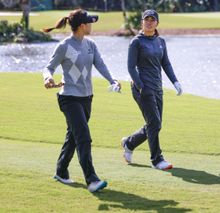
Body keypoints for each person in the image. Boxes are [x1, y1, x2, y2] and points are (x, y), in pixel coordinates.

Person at [42, 9, 121, 192]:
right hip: (69, 98)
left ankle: (61, 171)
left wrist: (112, 80)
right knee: (83, 137)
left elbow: (100, 64)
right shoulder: (64, 46)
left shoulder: (90, 45)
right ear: (82, 26)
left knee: (73, 136)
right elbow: (49, 67)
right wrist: (48, 78)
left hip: (87, 98)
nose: (92, 25)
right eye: (90, 23)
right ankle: (91, 180)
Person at [121, 9, 183, 170]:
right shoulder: (136, 42)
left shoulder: (160, 41)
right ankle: (157, 159)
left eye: (152, 20)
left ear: (157, 23)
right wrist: (140, 86)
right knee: (154, 123)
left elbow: (166, 63)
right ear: (142, 22)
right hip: (141, 87)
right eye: (146, 19)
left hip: (157, 87)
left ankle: (130, 142)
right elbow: (131, 67)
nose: (149, 22)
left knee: (155, 123)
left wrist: (175, 81)